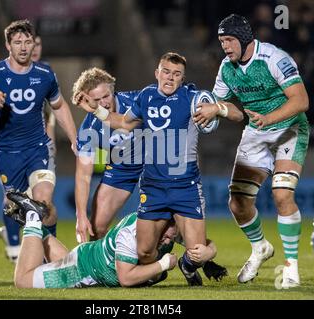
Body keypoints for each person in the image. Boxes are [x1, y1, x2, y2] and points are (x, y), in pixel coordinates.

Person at [75, 52, 242, 285]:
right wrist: (96, 110)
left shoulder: (192, 98)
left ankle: (189, 264)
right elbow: (123, 122)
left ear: (182, 79)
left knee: (199, 251)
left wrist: (218, 109)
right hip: (151, 185)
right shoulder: (146, 97)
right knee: (143, 252)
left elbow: (238, 114)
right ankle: (143, 268)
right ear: (157, 74)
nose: (170, 78)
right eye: (166, 72)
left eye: (176, 74)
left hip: (184, 185)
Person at [204, 14, 309, 288]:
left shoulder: (274, 58)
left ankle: (291, 268)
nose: (225, 46)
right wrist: (217, 109)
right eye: (221, 41)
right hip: (256, 132)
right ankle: (260, 246)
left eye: (229, 40)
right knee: (237, 203)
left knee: (282, 193)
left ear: (243, 38)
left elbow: (301, 100)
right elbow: (237, 114)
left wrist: (269, 119)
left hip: (289, 129)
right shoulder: (226, 68)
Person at [0, 20, 77, 256]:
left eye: (28, 42)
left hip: (38, 148)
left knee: (43, 204)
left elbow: (59, 106)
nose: (24, 47)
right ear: (8, 45)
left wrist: (74, 138)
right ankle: (16, 240)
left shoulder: (45, 74)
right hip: (8, 153)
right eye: (18, 42)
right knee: (14, 207)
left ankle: (49, 257)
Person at [5, 191, 226, 288]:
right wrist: (163, 264)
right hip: (83, 270)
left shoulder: (165, 226)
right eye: (167, 234)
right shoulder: (133, 232)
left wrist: (209, 253)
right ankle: (33, 216)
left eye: (172, 234)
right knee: (23, 281)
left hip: (87, 257)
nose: (170, 238)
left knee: (60, 262)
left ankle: (32, 226)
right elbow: (126, 278)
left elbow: (205, 243)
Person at [71, 67, 143, 242]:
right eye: (96, 99)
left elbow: (128, 122)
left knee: (160, 220)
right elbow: (83, 176)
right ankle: (96, 267)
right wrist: (80, 216)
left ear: (112, 90)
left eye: (106, 96)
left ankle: (191, 255)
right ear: (87, 101)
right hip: (121, 168)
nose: (103, 102)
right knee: (97, 227)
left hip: (153, 163)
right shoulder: (88, 129)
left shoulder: (136, 100)